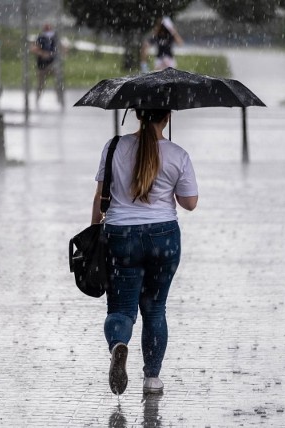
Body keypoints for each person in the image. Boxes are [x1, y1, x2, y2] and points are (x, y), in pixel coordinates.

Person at [91, 108, 198, 395]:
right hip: (164, 237)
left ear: (138, 113)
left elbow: (101, 195)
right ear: (168, 117)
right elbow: (190, 203)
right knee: (155, 310)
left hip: (120, 236)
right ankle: (152, 379)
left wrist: (94, 236)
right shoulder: (178, 154)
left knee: (121, 310)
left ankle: (118, 345)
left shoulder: (114, 147)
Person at [30, 23, 63, 106]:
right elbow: (33, 48)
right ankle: (37, 100)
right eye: (46, 29)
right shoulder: (40, 38)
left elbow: (61, 47)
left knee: (58, 82)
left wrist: (60, 52)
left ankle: (60, 100)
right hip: (42, 65)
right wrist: (42, 53)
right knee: (41, 84)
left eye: (49, 29)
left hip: (52, 64)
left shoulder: (55, 38)